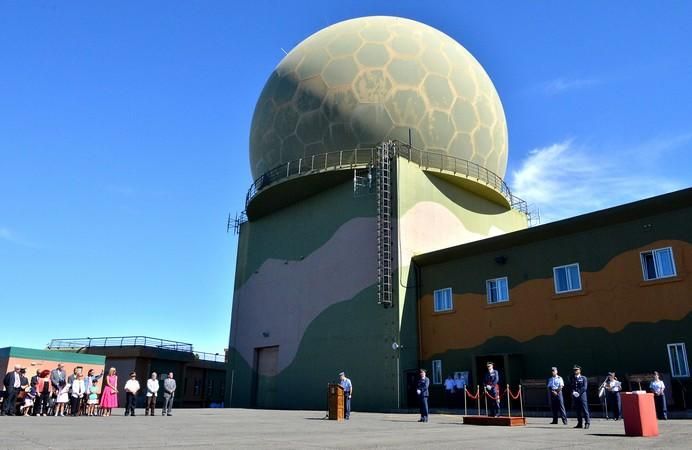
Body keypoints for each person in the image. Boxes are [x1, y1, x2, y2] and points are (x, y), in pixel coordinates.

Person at [571, 365, 590, 429]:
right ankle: (579, 423)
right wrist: (573, 392)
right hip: (575, 396)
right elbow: (572, 386)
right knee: (578, 410)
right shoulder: (573, 378)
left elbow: (585, 387)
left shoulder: (583, 378)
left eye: (576, 370)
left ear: (579, 370)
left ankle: (587, 423)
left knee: (585, 410)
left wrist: (578, 393)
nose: (575, 371)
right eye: (574, 370)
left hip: (582, 396)